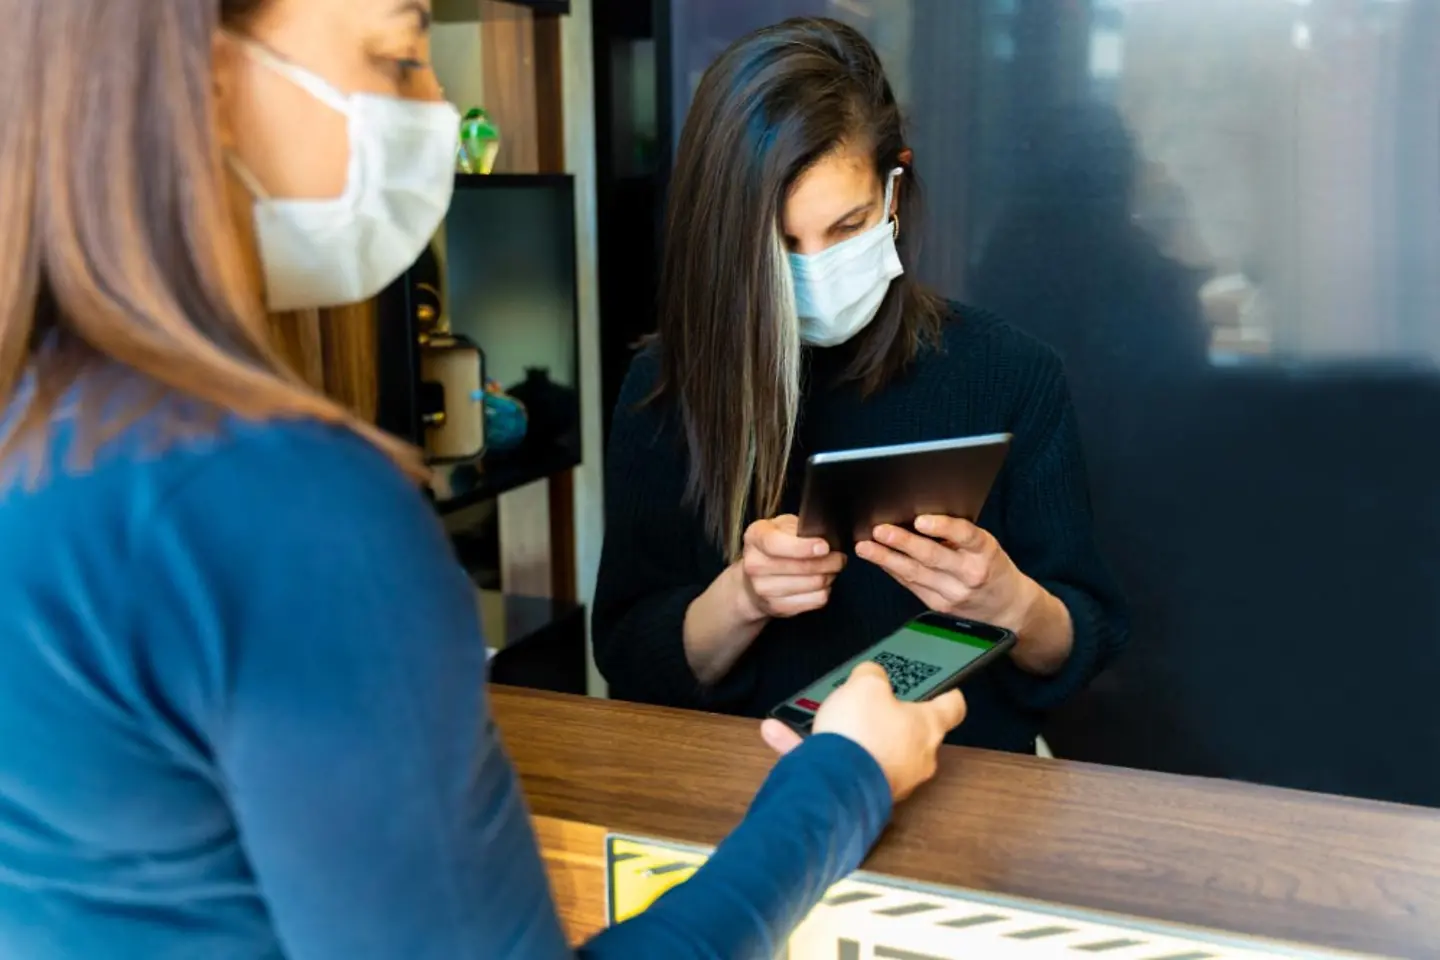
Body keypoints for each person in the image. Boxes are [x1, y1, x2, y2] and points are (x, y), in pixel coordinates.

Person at [0, 2, 967, 958]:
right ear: (205, 84)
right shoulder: (297, 508)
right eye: (397, 55)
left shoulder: (41, 427)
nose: (437, 104)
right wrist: (844, 778)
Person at [593, 18, 1129, 755]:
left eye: (846, 227)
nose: (815, 268)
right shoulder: (666, 388)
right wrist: (743, 596)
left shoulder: (1011, 374)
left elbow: (1081, 642)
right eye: (781, 244)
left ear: (893, 190)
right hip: (745, 787)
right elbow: (627, 656)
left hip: (965, 782)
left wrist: (1011, 603)